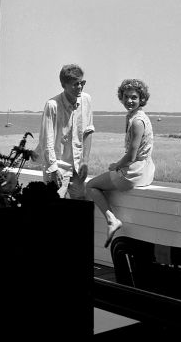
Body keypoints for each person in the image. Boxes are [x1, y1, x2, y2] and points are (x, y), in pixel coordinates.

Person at [86, 79, 155, 248]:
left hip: (134, 172)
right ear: (121, 97)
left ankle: (112, 220)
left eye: (134, 97)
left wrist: (116, 165)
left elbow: (131, 156)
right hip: (146, 171)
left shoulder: (137, 122)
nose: (129, 101)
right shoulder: (137, 116)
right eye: (126, 97)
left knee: (90, 186)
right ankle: (112, 220)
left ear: (141, 99)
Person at [36, 64, 94, 199]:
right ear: (64, 85)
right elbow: (46, 141)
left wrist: (85, 160)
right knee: (56, 207)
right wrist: (53, 168)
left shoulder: (86, 99)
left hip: (78, 166)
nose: (80, 87)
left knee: (79, 205)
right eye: (75, 84)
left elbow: (88, 131)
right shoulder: (52, 105)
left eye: (82, 83)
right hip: (57, 165)